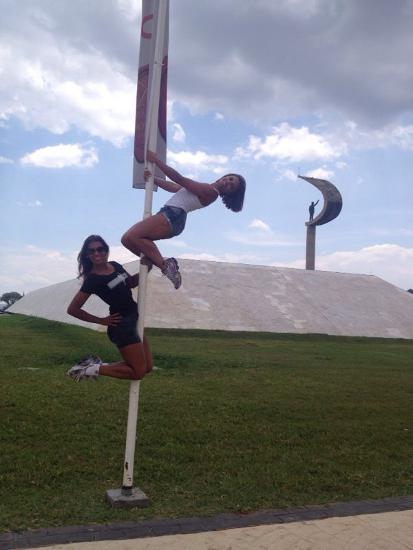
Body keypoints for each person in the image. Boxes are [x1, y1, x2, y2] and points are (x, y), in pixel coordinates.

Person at [121, 150, 246, 289]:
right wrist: (153, 179)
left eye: (232, 185)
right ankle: (153, 262)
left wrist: (156, 161)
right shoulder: (206, 187)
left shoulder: (211, 192)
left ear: (230, 194)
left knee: (134, 236)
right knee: (127, 239)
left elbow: (179, 179)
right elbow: (176, 187)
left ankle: (165, 266)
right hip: (169, 214)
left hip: (173, 216)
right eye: (230, 178)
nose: (228, 182)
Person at [66, 235, 153, 382]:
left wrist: (147, 268)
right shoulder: (92, 280)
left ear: (106, 250)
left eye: (100, 249)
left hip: (134, 319)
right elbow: (73, 309)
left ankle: (94, 365)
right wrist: (100, 320)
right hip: (121, 325)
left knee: (147, 366)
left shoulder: (115, 265)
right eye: (91, 251)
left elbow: (130, 283)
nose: (96, 253)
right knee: (138, 372)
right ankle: (91, 369)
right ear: (87, 255)